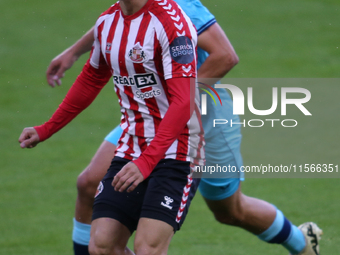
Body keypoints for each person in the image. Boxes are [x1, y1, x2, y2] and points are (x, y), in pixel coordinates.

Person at [36, 1, 322, 255]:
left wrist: (175, 101)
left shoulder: (181, 8)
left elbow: (225, 56)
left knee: (230, 210)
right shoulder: (127, 10)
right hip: (149, 117)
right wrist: (75, 51)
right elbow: (119, 20)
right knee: (89, 183)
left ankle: (302, 243)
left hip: (204, 120)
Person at [19, 0, 205, 254]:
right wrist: (46, 129)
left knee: (148, 248)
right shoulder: (108, 22)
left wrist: (147, 161)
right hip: (132, 147)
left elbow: (183, 103)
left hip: (179, 149)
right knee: (102, 246)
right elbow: (91, 79)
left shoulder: (172, 23)